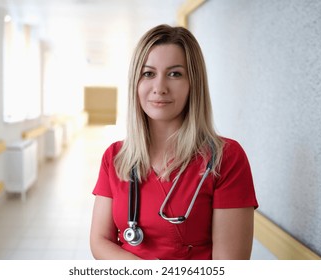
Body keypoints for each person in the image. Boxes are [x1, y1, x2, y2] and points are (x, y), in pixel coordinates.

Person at [90, 24, 258, 260]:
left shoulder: (225, 158)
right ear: (135, 84)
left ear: (193, 84)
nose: (159, 88)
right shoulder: (115, 157)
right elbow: (100, 241)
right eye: (148, 74)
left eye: (175, 74)